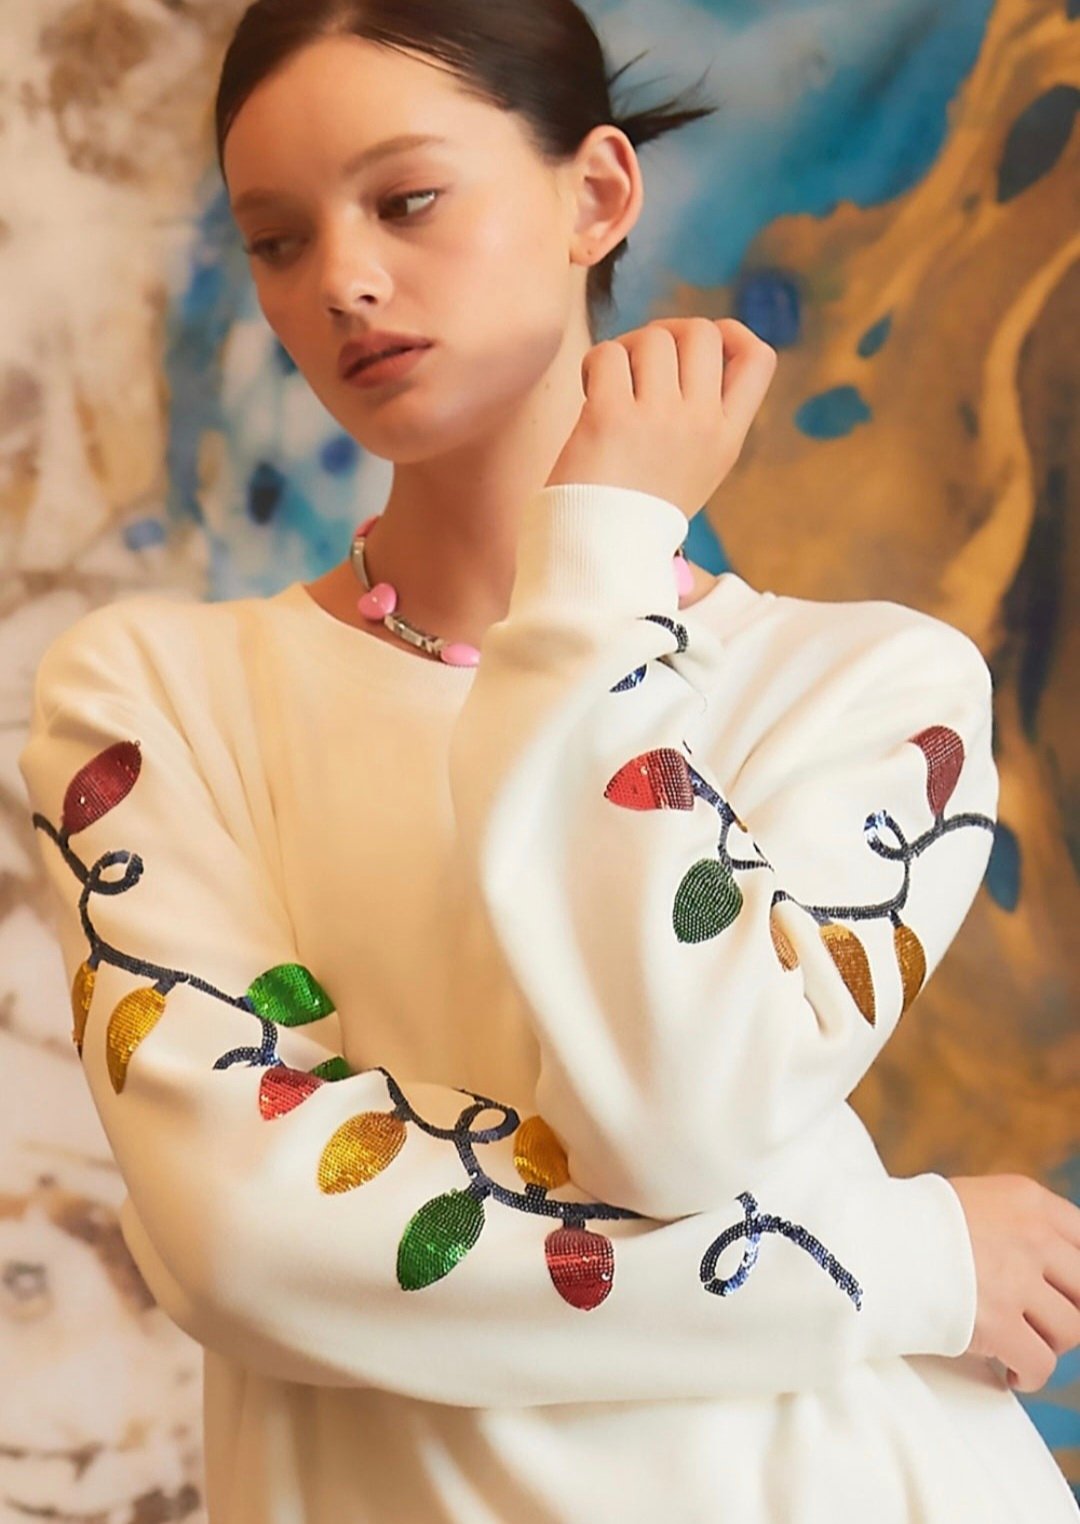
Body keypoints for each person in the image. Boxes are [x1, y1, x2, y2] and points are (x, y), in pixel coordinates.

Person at [18, 1, 1080, 1520]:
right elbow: (251, 1238)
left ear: (596, 194)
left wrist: (596, 574)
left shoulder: (873, 692)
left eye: (406, 200)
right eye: (276, 240)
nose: (342, 280)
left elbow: (678, 1119)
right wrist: (900, 1259)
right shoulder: (156, 700)